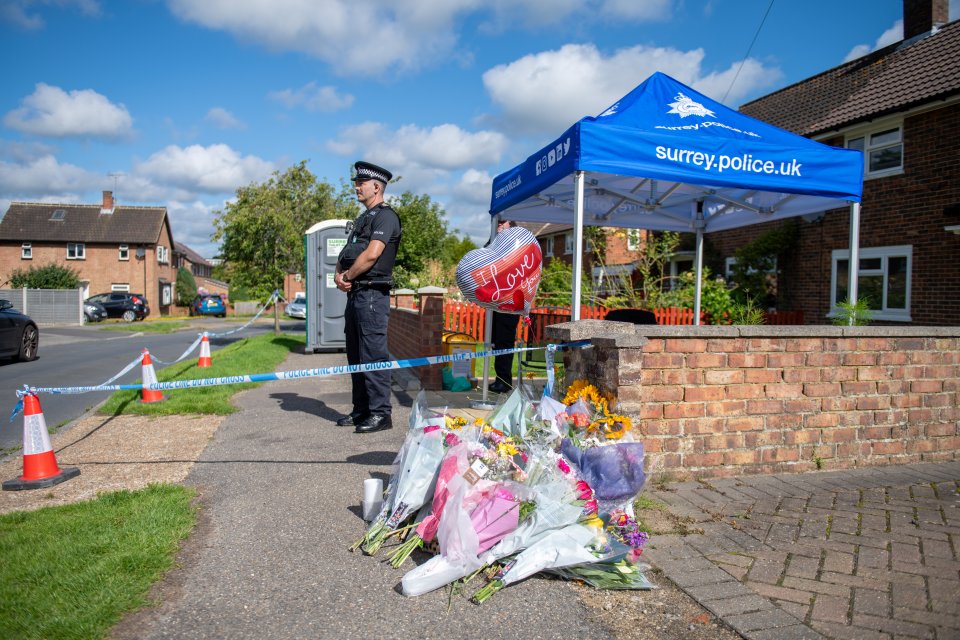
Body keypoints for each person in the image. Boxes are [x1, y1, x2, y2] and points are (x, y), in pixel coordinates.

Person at [334, 161, 402, 434]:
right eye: (357, 182)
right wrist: (339, 274)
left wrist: (347, 277)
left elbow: (372, 254)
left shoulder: (386, 217)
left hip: (372, 294)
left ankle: (381, 414)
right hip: (357, 294)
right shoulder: (363, 218)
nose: (356, 187)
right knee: (355, 356)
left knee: (373, 355)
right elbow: (348, 252)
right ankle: (362, 410)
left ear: (376, 187)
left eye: (361, 183)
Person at [488, 218, 520, 394]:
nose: (499, 225)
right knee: (496, 342)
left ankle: (504, 381)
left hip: (509, 302)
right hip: (495, 302)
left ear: (511, 226)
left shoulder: (516, 243)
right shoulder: (494, 240)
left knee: (504, 341)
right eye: (497, 222)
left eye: (503, 223)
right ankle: (500, 378)